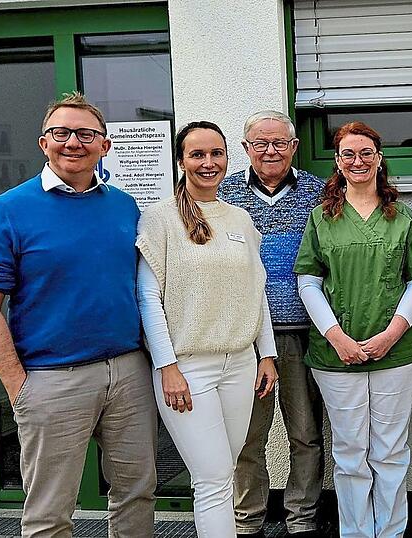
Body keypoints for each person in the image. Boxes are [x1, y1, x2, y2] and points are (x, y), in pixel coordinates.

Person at [0, 92, 156, 537]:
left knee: (137, 493)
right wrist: (18, 385)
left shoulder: (123, 206)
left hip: (128, 372)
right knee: (50, 513)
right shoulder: (7, 211)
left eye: (86, 134)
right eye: (62, 132)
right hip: (50, 378)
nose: (74, 142)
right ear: (43, 143)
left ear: (104, 145)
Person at [136, 121, 278, 536]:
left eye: (216, 153)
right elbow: (148, 298)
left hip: (240, 365)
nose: (208, 162)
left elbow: (258, 291)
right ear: (181, 161)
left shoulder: (240, 219)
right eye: (197, 154)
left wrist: (265, 354)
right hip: (188, 368)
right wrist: (167, 366)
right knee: (213, 480)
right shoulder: (159, 219)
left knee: (227, 469)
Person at [294, 121, 412, 538]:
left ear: (379, 158)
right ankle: (355, 532)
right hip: (335, 354)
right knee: (351, 452)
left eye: (366, 153)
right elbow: (308, 281)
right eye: (348, 154)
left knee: (390, 450)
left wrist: (392, 333)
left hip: (398, 353)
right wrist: (335, 335)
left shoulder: (401, 216)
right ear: (338, 162)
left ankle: (390, 531)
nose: (358, 161)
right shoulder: (322, 217)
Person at [218, 110, 326, 538]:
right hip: (244, 338)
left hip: (302, 333)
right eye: (260, 143)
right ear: (245, 148)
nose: (270, 150)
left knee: (305, 433)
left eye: (279, 142)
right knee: (248, 438)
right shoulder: (222, 195)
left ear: (294, 147)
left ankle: (302, 520)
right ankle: (248, 522)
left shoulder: (318, 193)